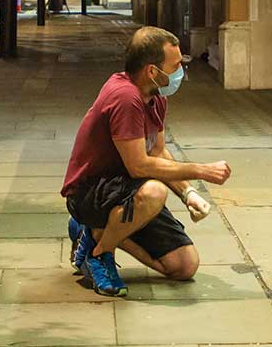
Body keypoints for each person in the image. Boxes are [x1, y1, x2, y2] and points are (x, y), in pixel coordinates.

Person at [62, 26, 232, 297]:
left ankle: (96, 231)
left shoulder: (155, 95)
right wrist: (201, 170)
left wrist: (188, 192)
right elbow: (139, 165)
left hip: (127, 193)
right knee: (155, 191)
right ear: (152, 71)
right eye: (175, 66)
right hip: (91, 192)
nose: (180, 72)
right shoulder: (125, 97)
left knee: (184, 266)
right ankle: (98, 251)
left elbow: (158, 153)